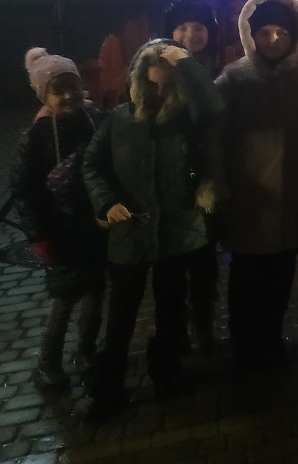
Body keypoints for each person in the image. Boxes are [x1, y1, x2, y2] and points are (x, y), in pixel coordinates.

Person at [82, 41, 223, 420]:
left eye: (167, 83)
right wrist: (106, 202)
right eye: (152, 82)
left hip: (177, 228)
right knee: (121, 314)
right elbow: (92, 164)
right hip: (130, 229)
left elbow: (214, 105)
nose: (159, 90)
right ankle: (108, 388)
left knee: (171, 308)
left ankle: (166, 373)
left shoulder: (188, 117)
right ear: (139, 78)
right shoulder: (120, 119)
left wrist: (186, 62)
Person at [213, 0, 298, 370]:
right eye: (265, 32)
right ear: (251, 35)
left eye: (282, 32)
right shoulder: (233, 79)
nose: (274, 40)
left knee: (281, 275)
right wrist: (219, 185)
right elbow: (214, 137)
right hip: (249, 200)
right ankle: (245, 346)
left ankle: (272, 337)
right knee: (246, 277)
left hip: (291, 197)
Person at [11, 49, 106, 390]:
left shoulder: (94, 119)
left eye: (73, 87)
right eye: (58, 90)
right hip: (60, 229)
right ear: (44, 95)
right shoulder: (37, 136)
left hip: (95, 224)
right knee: (64, 297)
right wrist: (38, 235)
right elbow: (24, 190)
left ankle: (86, 351)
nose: (68, 96)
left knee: (95, 291)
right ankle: (47, 363)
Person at [162, 0, 221, 353]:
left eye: (199, 27)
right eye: (182, 27)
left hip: (206, 177)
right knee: (170, 262)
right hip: (169, 177)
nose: (190, 34)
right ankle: (174, 330)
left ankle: (203, 324)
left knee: (203, 257)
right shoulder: (157, 71)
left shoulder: (218, 70)